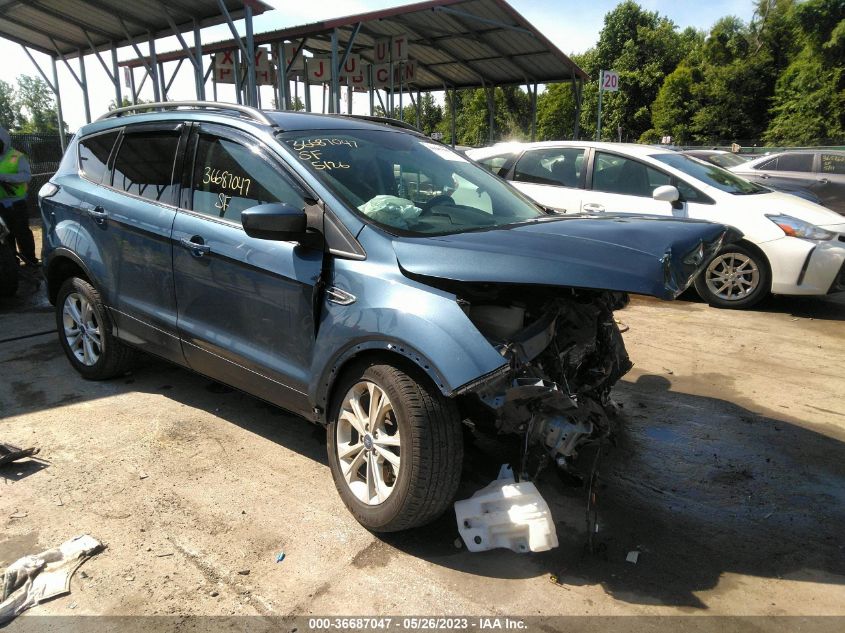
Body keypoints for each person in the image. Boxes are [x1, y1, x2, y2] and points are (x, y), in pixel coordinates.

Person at [0, 127, 37, 266]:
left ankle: (30, 261)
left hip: (16, 204)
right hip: (1, 204)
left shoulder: (16, 156)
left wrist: (5, 177)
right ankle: (12, 264)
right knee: (5, 235)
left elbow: (27, 176)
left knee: (22, 233)